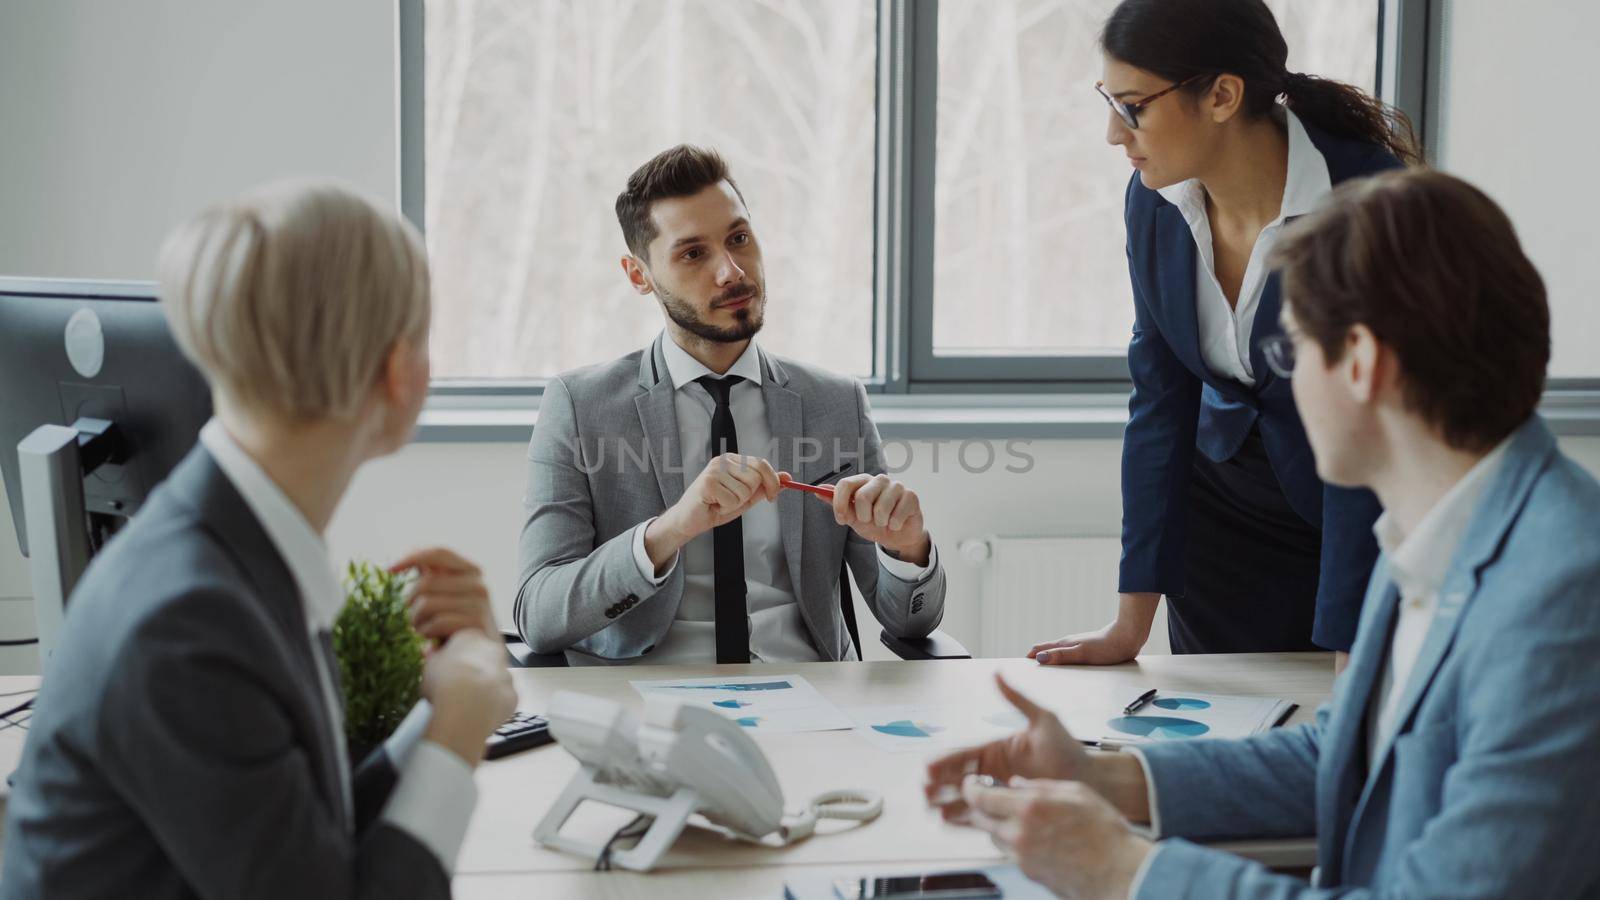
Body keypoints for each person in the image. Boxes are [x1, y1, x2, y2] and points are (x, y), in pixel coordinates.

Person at [925, 169, 1600, 898]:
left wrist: (1123, 870)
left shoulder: (1562, 596)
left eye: (1292, 351)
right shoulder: (1431, 528)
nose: (1284, 384)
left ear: (1363, 365)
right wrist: (1105, 778)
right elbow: (1343, 755)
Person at [0, 182, 518, 898]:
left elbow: (302, 844)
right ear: (399, 373)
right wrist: (456, 734)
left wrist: (452, 704)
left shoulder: (225, 551)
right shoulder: (189, 625)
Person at [1031, 0, 1421, 667]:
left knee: (1340, 739)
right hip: (1222, 527)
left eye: (1133, 107)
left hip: (1354, 516)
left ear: (1222, 95)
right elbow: (1160, 401)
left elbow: (1379, 432)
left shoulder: (1370, 203)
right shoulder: (1155, 199)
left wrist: (1352, 638)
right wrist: (1129, 625)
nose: (1113, 134)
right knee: (1219, 734)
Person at [514, 144, 945, 664]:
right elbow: (538, 614)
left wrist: (907, 550)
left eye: (739, 238)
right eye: (693, 253)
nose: (731, 272)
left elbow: (911, 622)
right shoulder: (580, 407)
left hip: (812, 701)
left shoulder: (836, 402)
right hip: (652, 706)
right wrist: (672, 529)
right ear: (639, 275)